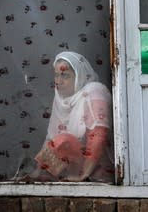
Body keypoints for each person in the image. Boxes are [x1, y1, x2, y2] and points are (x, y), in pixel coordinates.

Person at [28, 51, 114, 182]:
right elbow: (51, 139)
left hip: (99, 171)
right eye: (56, 75)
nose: (58, 81)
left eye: (65, 76)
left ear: (80, 76)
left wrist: (83, 175)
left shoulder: (93, 92)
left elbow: (99, 136)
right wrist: (38, 172)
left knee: (64, 141)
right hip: (73, 172)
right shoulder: (62, 100)